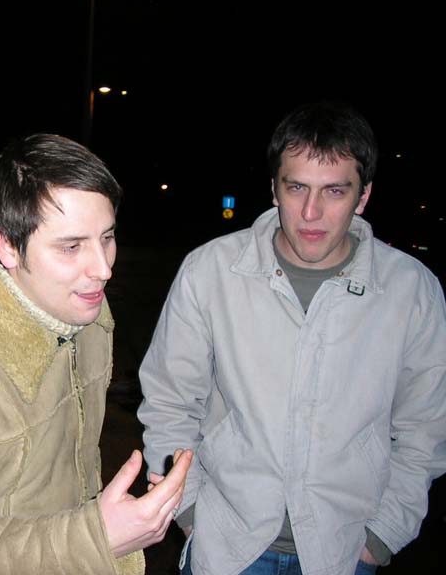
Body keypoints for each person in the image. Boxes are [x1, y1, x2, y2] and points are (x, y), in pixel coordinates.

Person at [138, 101, 446, 575]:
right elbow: (169, 401)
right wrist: (190, 509)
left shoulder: (411, 290)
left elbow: (424, 427)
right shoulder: (210, 271)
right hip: (226, 547)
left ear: (363, 196)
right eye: (296, 187)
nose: (311, 212)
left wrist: (384, 533)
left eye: (335, 191)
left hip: (343, 551)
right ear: (274, 189)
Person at [0, 134, 192, 574]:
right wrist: (97, 537)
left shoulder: (84, 314)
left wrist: (116, 521)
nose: (103, 268)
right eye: (71, 246)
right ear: (7, 247)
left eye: (107, 237)